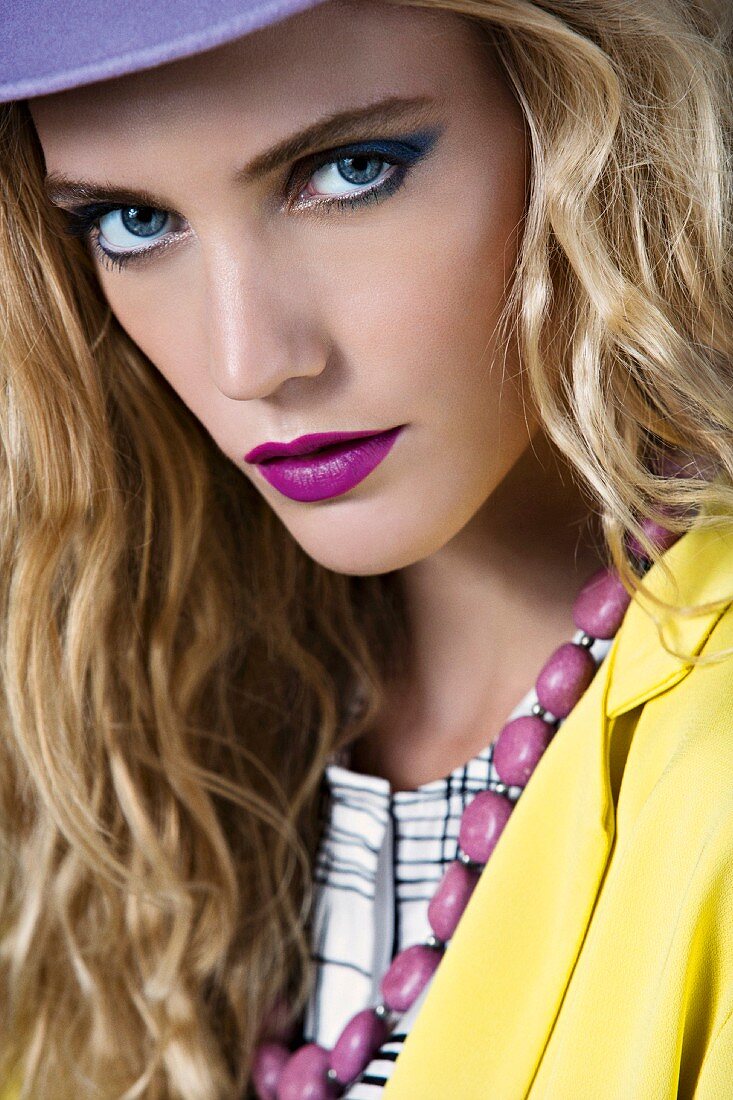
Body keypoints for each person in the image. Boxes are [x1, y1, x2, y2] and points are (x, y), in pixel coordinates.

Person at [0, 0, 731, 1096]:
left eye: (349, 170)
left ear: (580, 118)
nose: (251, 361)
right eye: (133, 224)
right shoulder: (136, 734)